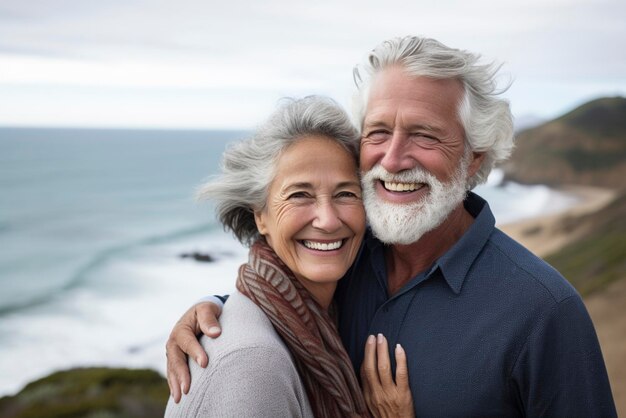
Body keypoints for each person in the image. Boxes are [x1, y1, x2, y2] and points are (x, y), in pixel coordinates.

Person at [167, 37, 617, 417]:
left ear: (474, 156)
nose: (394, 158)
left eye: (425, 135)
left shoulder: (543, 312)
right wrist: (218, 310)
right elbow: (286, 297)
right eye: (378, 132)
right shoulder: (343, 252)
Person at [164, 96, 414, 417]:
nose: (327, 219)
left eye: (346, 194)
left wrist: (216, 300)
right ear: (260, 216)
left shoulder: (327, 312)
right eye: (299, 195)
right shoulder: (254, 367)